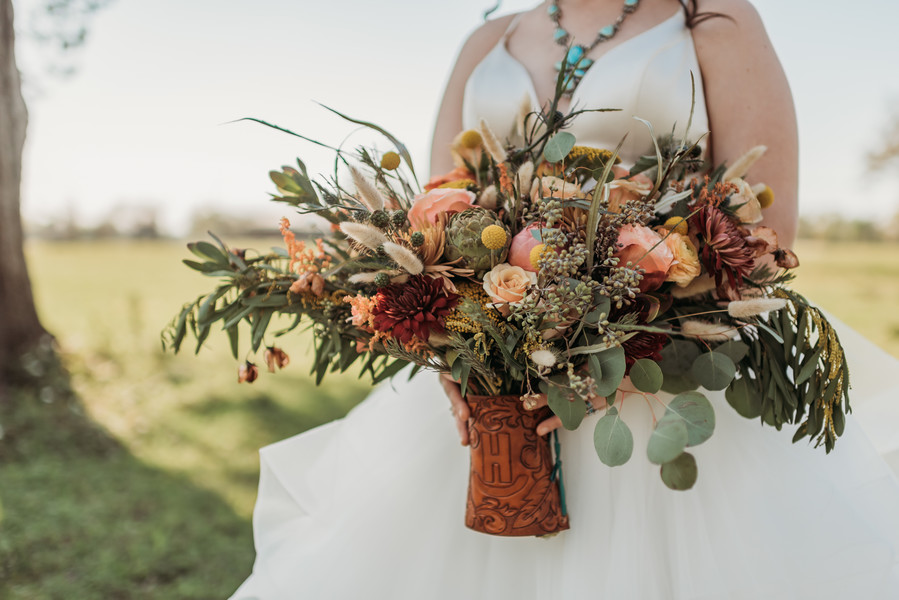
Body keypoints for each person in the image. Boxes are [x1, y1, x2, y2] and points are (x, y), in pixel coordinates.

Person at [230, 1, 899, 598]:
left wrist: (630, 341)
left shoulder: (713, 20)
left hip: (660, 373)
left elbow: (764, 233)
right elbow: (432, 216)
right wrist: (449, 353)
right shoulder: (486, 38)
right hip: (494, 374)